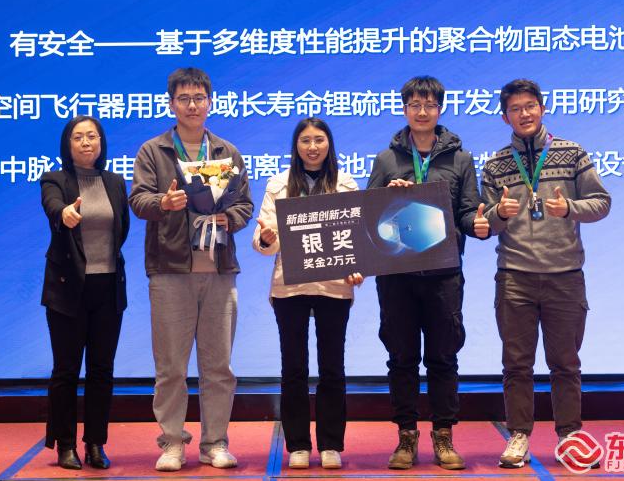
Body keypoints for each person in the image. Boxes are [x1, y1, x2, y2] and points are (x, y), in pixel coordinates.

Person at [478, 78, 611, 468]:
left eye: (530, 106)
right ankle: (518, 435)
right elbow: (485, 225)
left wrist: (569, 208)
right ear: (505, 117)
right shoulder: (496, 164)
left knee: (565, 363)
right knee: (516, 364)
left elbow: (602, 202)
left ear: (542, 108)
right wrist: (498, 214)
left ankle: (570, 436)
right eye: (515, 109)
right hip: (515, 277)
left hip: (564, 275)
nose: (524, 114)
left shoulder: (572, 153)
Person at [129, 67, 253, 472]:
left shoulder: (227, 152)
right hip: (170, 271)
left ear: (210, 102)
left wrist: (229, 219)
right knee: (171, 366)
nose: (192, 105)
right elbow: (138, 200)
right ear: (171, 104)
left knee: (219, 367)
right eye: (184, 99)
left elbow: (244, 204)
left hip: (219, 271)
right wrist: (163, 203)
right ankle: (172, 442)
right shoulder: (154, 151)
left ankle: (215, 442)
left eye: (199, 98)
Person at [367, 76, 488, 470]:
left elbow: (468, 211)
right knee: (401, 358)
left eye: (429, 105)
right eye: (415, 105)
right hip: (397, 275)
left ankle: (444, 436)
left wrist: (478, 225)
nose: (422, 112)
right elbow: (369, 216)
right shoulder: (386, 160)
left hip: (443, 274)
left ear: (440, 109)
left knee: (443, 356)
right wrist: (389, 195)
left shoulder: (460, 159)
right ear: (405, 109)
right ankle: (405, 437)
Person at [252, 118, 364, 470]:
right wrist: (266, 239)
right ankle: (298, 444)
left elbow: (357, 237)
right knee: (294, 367)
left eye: (319, 140)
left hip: (334, 286)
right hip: (290, 286)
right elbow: (262, 242)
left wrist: (357, 266)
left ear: (329, 144)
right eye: (305, 141)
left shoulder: (345, 183)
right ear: (296, 146)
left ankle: (331, 444)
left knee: (332, 367)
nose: (312, 147)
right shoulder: (279, 184)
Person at [39, 115, 130, 470]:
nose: (86, 142)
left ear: (101, 142)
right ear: (68, 144)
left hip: (107, 286)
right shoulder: (55, 179)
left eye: (92, 136)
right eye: (78, 137)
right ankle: (65, 444)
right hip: (68, 288)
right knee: (66, 369)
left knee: (101, 370)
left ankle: (95, 443)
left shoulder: (115, 182)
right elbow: (53, 207)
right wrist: (64, 213)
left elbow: (121, 230)